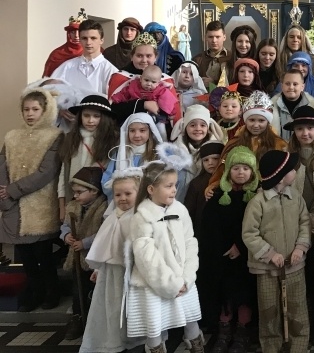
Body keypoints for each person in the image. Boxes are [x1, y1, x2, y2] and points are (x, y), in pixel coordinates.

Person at [126, 149, 203, 353]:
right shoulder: (142, 216)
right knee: (155, 326)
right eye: (168, 186)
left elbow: (190, 242)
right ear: (151, 189)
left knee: (191, 319)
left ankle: (196, 345)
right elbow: (146, 258)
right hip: (154, 283)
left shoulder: (180, 210)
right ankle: (156, 349)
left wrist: (187, 277)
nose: (174, 190)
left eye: (175, 185)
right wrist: (170, 283)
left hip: (183, 279)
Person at [0, 88, 63, 312]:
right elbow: (2, 164)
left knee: (43, 255)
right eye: (26, 109)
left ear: (45, 110)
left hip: (40, 204)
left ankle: (51, 292)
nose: (30, 113)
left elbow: (46, 172)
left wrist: (13, 190)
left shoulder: (54, 137)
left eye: (35, 109)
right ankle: (34, 292)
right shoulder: (11, 136)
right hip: (14, 205)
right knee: (26, 257)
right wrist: (4, 192)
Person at [242, 148, 311, 353]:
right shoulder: (258, 203)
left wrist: (300, 248)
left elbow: (305, 223)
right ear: (280, 176)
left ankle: (299, 346)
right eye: (291, 169)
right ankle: (271, 347)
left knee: (298, 309)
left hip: (294, 266)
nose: (295, 171)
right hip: (266, 269)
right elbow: (249, 234)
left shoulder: (296, 197)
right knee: (269, 311)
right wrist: (270, 254)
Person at [199, 146, 259, 353]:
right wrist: (225, 247)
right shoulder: (217, 196)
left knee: (244, 296)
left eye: (245, 168)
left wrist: (240, 247)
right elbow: (208, 226)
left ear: (253, 172)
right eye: (236, 168)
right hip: (222, 257)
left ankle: (242, 333)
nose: (241, 172)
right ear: (227, 171)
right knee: (225, 296)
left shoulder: (256, 197)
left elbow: (257, 228)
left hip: (246, 257)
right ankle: (224, 332)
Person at [80, 167, 144, 353]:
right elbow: (105, 247)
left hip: (132, 274)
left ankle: (137, 341)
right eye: (118, 194)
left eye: (128, 193)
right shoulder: (111, 218)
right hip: (112, 275)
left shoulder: (140, 218)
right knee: (114, 310)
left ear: (139, 193)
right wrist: (98, 269)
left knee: (133, 311)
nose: (122, 198)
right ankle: (115, 340)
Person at [61, 166, 108, 340]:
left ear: (94, 191)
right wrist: (66, 236)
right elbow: (65, 225)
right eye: (74, 192)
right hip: (77, 259)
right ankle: (78, 318)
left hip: (94, 260)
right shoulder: (73, 206)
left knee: (93, 292)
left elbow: (104, 232)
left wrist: (85, 243)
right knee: (77, 291)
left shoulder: (103, 207)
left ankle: (95, 322)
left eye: (80, 192)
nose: (76, 196)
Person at [58, 95, 117, 222]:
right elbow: (63, 173)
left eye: (96, 116)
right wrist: (62, 205)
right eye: (86, 115)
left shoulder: (112, 141)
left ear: (104, 118)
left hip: (100, 201)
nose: (90, 120)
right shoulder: (71, 138)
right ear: (80, 117)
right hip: (73, 198)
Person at [101, 113, 163, 199]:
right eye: (132, 131)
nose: (137, 135)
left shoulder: (157, 154)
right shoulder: (119, 153)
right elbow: (106, 182)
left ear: (150, 131)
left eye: (142, 130)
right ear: (127, 132)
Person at [51, 19, 117, 96]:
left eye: (93, 38)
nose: (88, 43)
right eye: (84, 38)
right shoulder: (66, 67)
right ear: (80, 40)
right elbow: (51, 94)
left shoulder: (111, 71)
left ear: (101, 40)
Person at [111, 65, 179, 135]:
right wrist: (115, 99)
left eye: (153, 82)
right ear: (141, 79)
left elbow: (168, 102)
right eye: (146, 80)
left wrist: (171, 114)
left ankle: (162, 142)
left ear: (158, 83)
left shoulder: (161, 90)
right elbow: (123, 94)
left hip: (155, 115)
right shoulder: (133, 86)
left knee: (161, 129)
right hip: (135, 114)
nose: (149, 84)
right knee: (123, 126)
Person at [271, 69, 314, 142]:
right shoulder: (272, 106)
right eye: (287, 84)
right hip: (279, 149)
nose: (291, 87)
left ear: (302, 87)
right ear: (282, 86)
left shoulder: (313, 107)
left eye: (295, 84)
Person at [43, 10, 88, 77]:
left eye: (79, 32)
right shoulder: (56, 54)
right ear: (68, 34)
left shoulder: (91, 52)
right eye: (73, 32)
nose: (76, 35)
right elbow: (47, 79)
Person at [193, 20, 230, 88]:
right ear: (206, 37)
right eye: (210, 37)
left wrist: (214, 83)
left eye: (217, 37)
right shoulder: (197, 59)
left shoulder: (231, 57)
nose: (214, 40)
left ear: (224, 37)